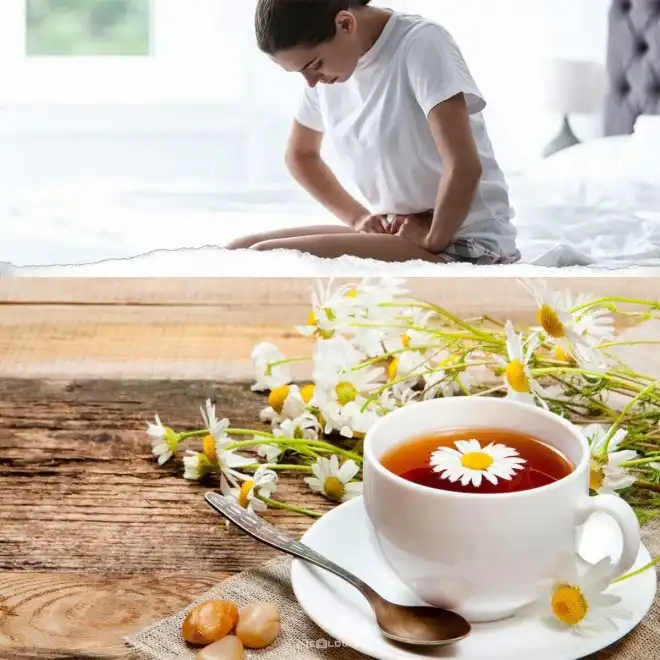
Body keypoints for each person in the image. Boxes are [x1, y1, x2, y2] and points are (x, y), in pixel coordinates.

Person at [226, 0, 520, 264]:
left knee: (262, 257)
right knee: (236, 250)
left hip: (464, 241)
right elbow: (300, 155)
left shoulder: (421, 44)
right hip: (399, 233)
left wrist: (433, 238)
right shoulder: (330, 74)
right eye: (299, 73)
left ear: (345, 23)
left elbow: (464, 167)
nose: (311, 82)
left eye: (314, 65)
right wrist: (358, 218)